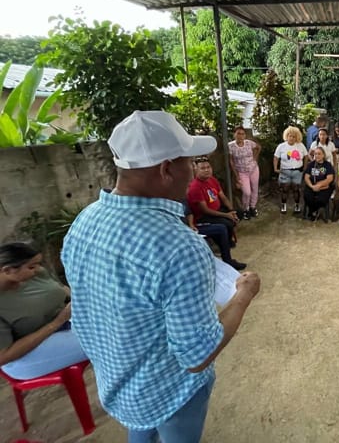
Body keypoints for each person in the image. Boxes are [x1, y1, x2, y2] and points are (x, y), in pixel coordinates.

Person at [61, 110, 260, 442]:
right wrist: (243, 295)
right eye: (189, 161)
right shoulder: (179, 246)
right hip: (170, 390)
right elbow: (197, 356)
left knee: (140, 433)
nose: (193, 170)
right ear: (167, 168)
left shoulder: (84, 221)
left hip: (118, 382)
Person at [0, 242, 86, 380]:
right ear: (8, 270)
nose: (37, 269)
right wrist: (57, 322)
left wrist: (83, 301)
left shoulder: (35, 274)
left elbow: (59, 289)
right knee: (105, 339)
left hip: (65, 324)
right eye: (31, 267)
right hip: (25, 356)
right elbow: (4, 356)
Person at [188, 156, 240, 248]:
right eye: (203, 168)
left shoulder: (212, 180)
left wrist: (232, 210)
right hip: (204, 216)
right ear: (195, 170)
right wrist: (227, 215)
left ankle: (227, 239)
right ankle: (223, 244)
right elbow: (205, 210)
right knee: (227, 222)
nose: (206, 170)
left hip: (217, 209)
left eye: (208, 167)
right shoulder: (195, 187)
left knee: (239, 214)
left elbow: (223, 197)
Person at [183, 202, 246, 271]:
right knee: (224, 225)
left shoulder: (182, 202)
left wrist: (191, 224)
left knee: (222, 227)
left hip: (193, 227)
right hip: (189, 228)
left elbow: (189, 213)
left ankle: (227, 259)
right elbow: (205, 210)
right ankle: (224, 253)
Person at [228, 126, 261, 220]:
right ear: (234, 134)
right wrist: (236, 175)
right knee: (247, 192)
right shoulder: (231, 145)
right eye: (238, 133)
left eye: (242, 134)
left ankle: (253, 207)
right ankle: (245, 209)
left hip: (253, 169)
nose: (241, 136)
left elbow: (258, 147)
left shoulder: (249, 143)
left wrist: (255, 158)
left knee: (255, 188)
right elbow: (231, 161)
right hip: (242, 172)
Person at [274, 126, 308, 214]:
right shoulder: (281, 146)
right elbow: (276, 157)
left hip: (297, 171)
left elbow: (306, 156)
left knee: (296, 188)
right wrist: (275, 168)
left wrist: (305, 166)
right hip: (285, 170)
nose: (292, 138)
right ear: (287, 136)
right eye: (290, 136)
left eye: (294, 136)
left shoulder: (300, 145)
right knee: (284, 188)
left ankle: (297, 205)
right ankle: (283, 205)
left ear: (297, 137)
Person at [303, 146, 335, 222]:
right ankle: (313, 211)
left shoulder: (328, 165)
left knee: (321, 200)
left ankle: (314, 211)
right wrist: (312, 186)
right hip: (311, 186)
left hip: (324, 187)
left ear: (323, 155)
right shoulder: (311, 164)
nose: (317, 155)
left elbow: (329, 179)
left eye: (319, 154)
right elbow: (306, 177)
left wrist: (319, 186)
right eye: (315, 154)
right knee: (308, 197)